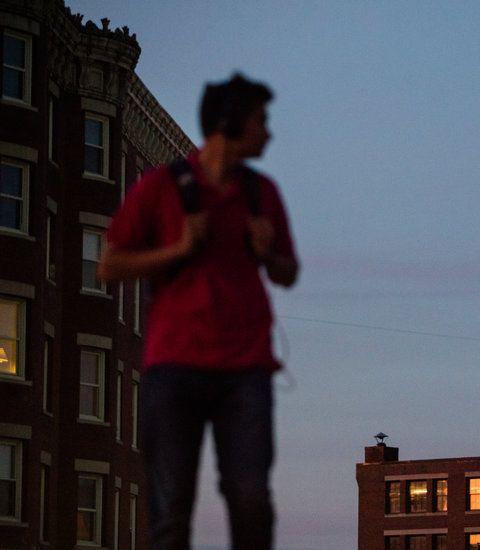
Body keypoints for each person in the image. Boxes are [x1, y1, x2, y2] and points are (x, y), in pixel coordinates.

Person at [99, 73, 298, 550]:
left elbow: (288, 273)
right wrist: (179, 249)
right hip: (175, 369)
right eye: (260, 121)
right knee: (170, 508)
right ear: (228, 122)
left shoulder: (261, 193)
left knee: (251, 501)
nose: (268, 133)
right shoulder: (161, 187)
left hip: (246, 370)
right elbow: (109, 264)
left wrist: (268, 253)